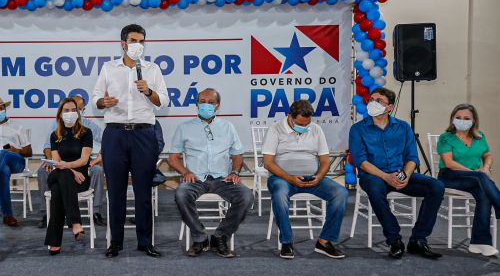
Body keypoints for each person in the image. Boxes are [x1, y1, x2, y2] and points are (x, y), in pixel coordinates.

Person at [91, 23, 168, 258]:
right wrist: (104, 102)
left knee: (144, 192)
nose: (138, 45)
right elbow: (95, 98)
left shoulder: (152, 69)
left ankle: (145, 242)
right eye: (134, 41)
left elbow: (163, 101)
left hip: (144, 134)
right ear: (123, 43)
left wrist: (149, 92)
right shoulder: (108, 68)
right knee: (116, 192)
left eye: (142, 41)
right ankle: (116, 242)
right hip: (115, 134)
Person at [349, 87, 445, 260]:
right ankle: (394, 240)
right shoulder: (358, 129)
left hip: (400, 174)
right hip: (374, 176)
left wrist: (405, 176)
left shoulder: (403, 127)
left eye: (378, 101)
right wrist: (386, 177)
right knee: (376, 189)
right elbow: (361, 161)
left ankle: (418, 239)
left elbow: (412, 157)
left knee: (436, 186)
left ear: (389, 107)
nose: (372, 103)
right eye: (371, 99)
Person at [437, 103, 500, 256]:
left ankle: (479, 243)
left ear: (473, 121)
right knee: (482, 180)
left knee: (484, 194)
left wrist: (486, 168)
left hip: (474, 179)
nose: (462, 120)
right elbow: (449, 163)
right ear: (452, 119)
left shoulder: (479, 136)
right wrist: (477, 173)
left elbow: (487, 155)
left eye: (466, 118)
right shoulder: (445, 137)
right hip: (450, 176)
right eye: (458, 117)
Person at [168, 88, 253, 258]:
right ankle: (200, 238)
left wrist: (235, 171)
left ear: (218, 106)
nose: (206, 105)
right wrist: (185, 172)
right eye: (202, 101)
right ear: (197, 104)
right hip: (195, 179)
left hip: (223, 178)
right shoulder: (184, 128)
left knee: (246, 196)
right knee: (181, 194)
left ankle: (220, 236)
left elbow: (237, 155)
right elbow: (172, 158)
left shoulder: (227, 127)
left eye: (211, 102)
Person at [263, 99, 349, 259]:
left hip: (312, 178)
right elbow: (268, 163)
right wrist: (290, 178)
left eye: (307, 123)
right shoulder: (275, 129)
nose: (304, 127)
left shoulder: (316, 129)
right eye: (301, 124)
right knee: (280, 195)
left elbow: (324, 161)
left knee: (341, 193)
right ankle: (287, 242)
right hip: (282, 178)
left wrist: (319, 177)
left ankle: (324, 242)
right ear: (290, 116)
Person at [36, 95, 105, 228]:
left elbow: (107, 140)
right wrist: (51, 161)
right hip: (59, 160)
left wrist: (98, 158)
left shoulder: (88, 126)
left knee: (98, 170)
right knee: (42, 170)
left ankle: (96, 211)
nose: (72, 113)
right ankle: (46, 212)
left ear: (82, 110)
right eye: (69, 110)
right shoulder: (56, 126)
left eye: (77, 109)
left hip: (81, 161)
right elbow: (47, 146)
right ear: (62, 111)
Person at [44, 97, 94, 254]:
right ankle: (75, 223)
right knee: (63, 175)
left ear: (78, 113)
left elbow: (84, 159)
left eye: (74, 110)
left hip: (80, 179)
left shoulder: (86, 133)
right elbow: (57, 162)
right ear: (60, 114)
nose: (70, 113)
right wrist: (70, 169)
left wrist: (67, 167)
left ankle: (54, 242)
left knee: (59, 190)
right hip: (60, 173)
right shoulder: (55, 135)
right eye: (66, 110)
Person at [0, 95, 31, 227]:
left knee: (4, 153)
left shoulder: (17, 126)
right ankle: (8, 215)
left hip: (16, 160)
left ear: (5, 108)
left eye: (1, 108)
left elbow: (29, 151)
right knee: (4, 170)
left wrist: (16, 150)